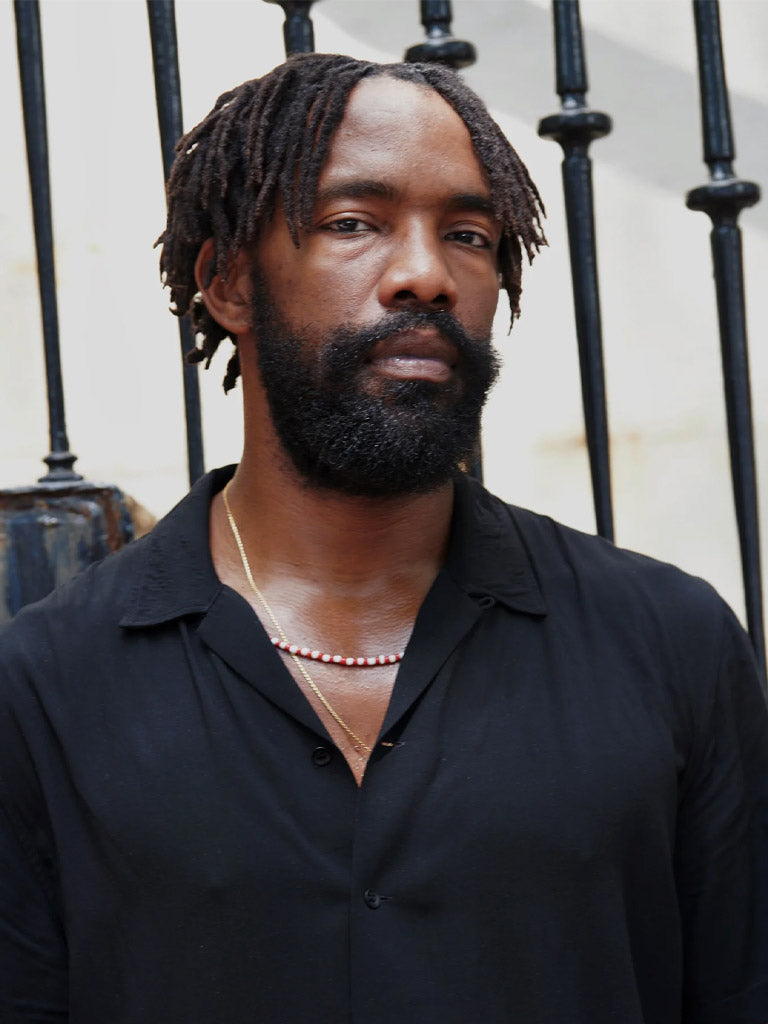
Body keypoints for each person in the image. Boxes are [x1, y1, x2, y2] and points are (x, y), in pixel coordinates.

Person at [1, 52, 767, 1024]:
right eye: (354, 223)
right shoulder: (47, 686)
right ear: (228, 283)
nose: (425, 275)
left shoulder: (673, 644)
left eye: (469, 235)